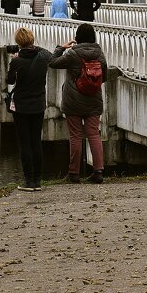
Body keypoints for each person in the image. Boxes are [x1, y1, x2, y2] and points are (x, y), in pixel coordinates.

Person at [49, 23, 108, 184]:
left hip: (73, 101)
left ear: (77, 38)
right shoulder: (99, 54)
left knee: (75, 136)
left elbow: (52, 62)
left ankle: (74, 173)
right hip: (94, 100)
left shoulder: (73, 54)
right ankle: (98, 171)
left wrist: (61, 47)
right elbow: (105, 76)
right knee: (94, 134)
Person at [6, 26, 52, 191]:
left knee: (25, 143)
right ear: (32, 41)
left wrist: (16, 56)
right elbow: (50, 53)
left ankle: (29, 181)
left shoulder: (17, 61)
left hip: (21, 106)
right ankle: (38, 181)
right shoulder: (42, 58)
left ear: (18, 43)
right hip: (38, 104)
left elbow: (10, 81)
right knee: (36, 142)